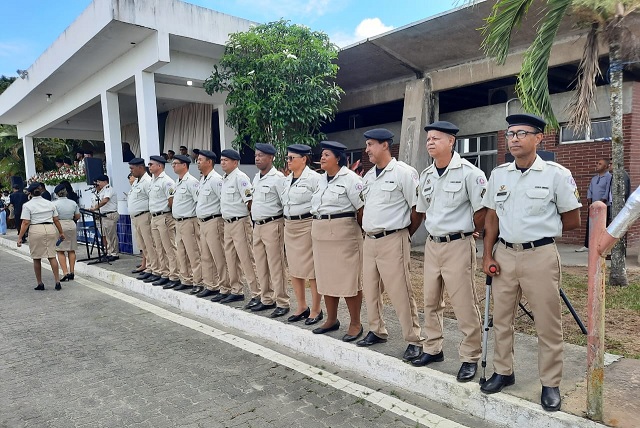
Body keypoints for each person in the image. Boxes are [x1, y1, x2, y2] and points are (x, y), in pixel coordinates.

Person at [481, 113, 581, 412]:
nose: (514, 138)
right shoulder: (499, 174)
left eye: (522, 133)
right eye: (510, 133)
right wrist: (487, 255)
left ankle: (550, 383)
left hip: (540, 256)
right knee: (501, 319)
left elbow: (573, 219)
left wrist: (539, 229)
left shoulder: (556, 174)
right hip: (504, 254)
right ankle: (503, 371)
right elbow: (491, 217)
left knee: (547, 323)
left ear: (539, 138)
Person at [411, 121, 486, 383]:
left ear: (451, 141)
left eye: (436, 138)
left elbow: (482, 211)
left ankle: (470, 356)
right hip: (433, 244)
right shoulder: (426, 175)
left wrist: (475, 233)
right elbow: (423, 209)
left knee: (464, 303)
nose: (430, 142)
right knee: (431, 301)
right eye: (428, 138)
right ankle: (433, 348)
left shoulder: (470, 173)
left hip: (458, 244)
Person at [357, 128, 425, 359]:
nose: (367, 150)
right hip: (370, 240)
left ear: (385, 145)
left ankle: (414, 339)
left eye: (370, 145)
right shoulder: (368, 177)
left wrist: (405, 234)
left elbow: (417, 209)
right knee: (371, 289)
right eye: (366, 146)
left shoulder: (404, 173)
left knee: (401, 291)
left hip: (393, 239)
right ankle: (376, 329)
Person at [310, 141, 364, 340]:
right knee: (326, 278)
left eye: (326, 155)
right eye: (322, 154)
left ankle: (356, 323)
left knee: (348, 280)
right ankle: (331, 319)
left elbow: (361, 209)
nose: (322, 158)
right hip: (321, 234)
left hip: (343, 234)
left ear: (338, 158)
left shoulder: (351, 179)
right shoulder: (320, 180)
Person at [279, 144, 323, 325]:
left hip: (307, 224)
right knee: (295, 269)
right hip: (290, 225)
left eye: (292, 158)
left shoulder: (315, 178)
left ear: (304, 159)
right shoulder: (287, 179)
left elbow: (320, 202)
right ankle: (301, 306)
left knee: (311, 270)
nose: (288, 162)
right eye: (287, 158)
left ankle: (316, 309)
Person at [249, 143, 289, 318]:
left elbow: (285, 203)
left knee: (276, 264)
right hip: (257, 226)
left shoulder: (278, 178)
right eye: (256, 155)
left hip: (273, 224)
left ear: (271, 158)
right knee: (260, 264)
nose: (257, 158)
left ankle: (282, 301)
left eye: (261, 155)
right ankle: (266, 298)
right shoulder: (256, 178)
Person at [218, 148, 259, 304]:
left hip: (240, 222)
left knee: (247, 258)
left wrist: (249, 221)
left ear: (235, 162)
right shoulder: (225, 178)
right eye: (221, 160)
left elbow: (249, 201)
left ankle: (257, 293)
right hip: (227, 223)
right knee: (231, 258)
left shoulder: (240, 178)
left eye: (226, 160)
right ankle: (236, 290)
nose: (222, 162)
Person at [17, 182, 65, 290]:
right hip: (50, 228)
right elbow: (56, 220)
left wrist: (20, 237)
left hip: (36, 229)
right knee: (52, 256)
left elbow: (25, 222)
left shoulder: (27, 205)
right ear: (41, 191)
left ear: (30, 193)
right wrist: (61, 232)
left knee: (37, 258)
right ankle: (57, 281)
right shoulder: (50, 203)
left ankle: (40, 283)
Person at [194, 150, 228, 299]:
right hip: (203, 222)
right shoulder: (203, 179)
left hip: (214, 221)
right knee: (206, 255)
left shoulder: (216, 180)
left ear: (209, 162)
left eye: (200, 160)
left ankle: (225, 287)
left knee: (218, 256)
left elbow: (223, 200)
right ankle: (211, 285)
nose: (197, 162)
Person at [169, 154, 202, 293]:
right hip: (178, 222)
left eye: (176, 163)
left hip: (189, 221)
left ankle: (198, 281)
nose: (173, 166)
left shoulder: (192, 182)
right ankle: (186, 279)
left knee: (193, 253)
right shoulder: (178, 182)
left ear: (184, 165)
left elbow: (198, 201)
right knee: (181, 252)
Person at [145, 156, 180, 287]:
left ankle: (174, 275)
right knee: (159, 247)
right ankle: (164, 273)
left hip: (164, 216)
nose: (149, 166)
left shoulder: (167, 181)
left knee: (169, 247)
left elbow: (171, 201)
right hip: (154, 217)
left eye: (151, 164)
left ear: (159, 166)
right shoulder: (153, 181)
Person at [128, 159, 157, 281]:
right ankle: (149, 267)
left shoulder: (147, 181)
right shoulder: (136, 182)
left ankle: (154, 268)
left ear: (140, 167)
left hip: (145, 216)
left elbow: (152, 199)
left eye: (132, 168)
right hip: (136, 217)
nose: (131, 171)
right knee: (143, 245)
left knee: (150, 244)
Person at [575, 158, 611, 252]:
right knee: (590, 225)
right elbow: (589, 190)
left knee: (603, 226)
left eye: (600, 164)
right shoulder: (594, 178)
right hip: (592, 206)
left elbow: (607, 191)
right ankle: (587, 245)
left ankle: (601, 246)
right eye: (597, 163)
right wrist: (590, 201)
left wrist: (602, 202)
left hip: (603, 206)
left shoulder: (609, 177)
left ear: (606, 166)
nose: (597, 165)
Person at [53, 182, 81, 281]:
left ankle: (65, 272)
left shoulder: (54, 204)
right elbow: (77, 216)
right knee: (71, 249)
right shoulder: (73, 203)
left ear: (56, 194)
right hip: (71, 224)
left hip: (59, 225)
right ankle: (72, 271)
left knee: (60, 250)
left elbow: (53, 217)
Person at [90, 175, 120, 262]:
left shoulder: (108, 189)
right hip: (103, 216)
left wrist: (95, 208)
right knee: (106, 236)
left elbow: (105, 200)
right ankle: (109, 252)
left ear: (105, 181)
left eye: (99, 182)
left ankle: (114, 253)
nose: (98, 184)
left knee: (111, 235)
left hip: (110, 215)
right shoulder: (101, 191)